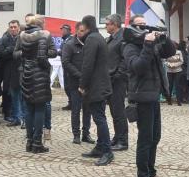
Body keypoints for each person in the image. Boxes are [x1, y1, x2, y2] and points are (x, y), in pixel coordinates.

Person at [123, 15, 176, 177]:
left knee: (155, 136)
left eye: (145, 25)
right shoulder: (129, 47)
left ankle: (151, 172)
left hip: (153, 95)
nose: (145, 28)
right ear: (132, 29)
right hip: (141, 97)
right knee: (145, 138)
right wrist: (146, 45)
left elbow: (169, 52)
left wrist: (163, 37)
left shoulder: (152, 45)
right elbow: (138, 67)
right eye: (140, 26)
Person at [16, 14, 56, 153]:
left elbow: (16, 54)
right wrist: (46, 55)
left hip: (27, 73)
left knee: (28, 109)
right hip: (40, 73)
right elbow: (51, 53)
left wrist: (27, 56)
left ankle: (29, 141)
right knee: (40, 108)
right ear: (41, 23)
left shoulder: (22, 35)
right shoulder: (45, 35)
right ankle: (37, 143)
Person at [77, 15, 113, 166]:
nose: (81, 32)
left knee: (99, 118)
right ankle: (100, 147)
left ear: (87, 27)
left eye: (82, 29)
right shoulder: (100, 38)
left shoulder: (91, 39)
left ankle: (107, 151)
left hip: (96, 86)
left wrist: (82, 85)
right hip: (101, 83)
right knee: (99, 116)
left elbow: (87, 65)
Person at [102, 14, 130, 151]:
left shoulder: (122, 38)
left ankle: (123, 141)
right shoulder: (111, 39)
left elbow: (125, 60)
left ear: (115, 25)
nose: (105, 26)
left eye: (107, 24)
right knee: (114, 110)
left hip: (118, 80)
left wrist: (118, 75)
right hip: (110, 79)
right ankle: (117, 136)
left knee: (119, 111)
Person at [0, 20, 23, 126]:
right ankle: (15, 117)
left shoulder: (23, 37)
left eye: (15, 27)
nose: (13, 29)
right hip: (9, 70)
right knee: (12, 94)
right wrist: (12, 51)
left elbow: (24, 54)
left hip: (21, 69)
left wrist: (12, 52)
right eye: (11, 27)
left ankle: (22, 117)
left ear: (18, 28)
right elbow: (2, 54)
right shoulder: (4, 39)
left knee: (22, 95)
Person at [163, 42, 184, 107]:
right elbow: (164, 60)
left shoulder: (179, 52)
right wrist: (170, 65)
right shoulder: (166, 52)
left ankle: (179, 101)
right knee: (170, 86)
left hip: (178, 70)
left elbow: (181, 61)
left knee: (178, 86)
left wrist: (175, 65)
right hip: (169, 70)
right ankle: (169, 100)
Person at [51, 23, 69, 90]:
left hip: (60, 57)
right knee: (55, 71)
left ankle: (63, 86)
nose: (62, 31)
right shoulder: (63, 39)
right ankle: (49, 84)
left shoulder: (66, 39)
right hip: (57, 57)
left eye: (63, 30)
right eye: (62, 30)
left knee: (60, 72)